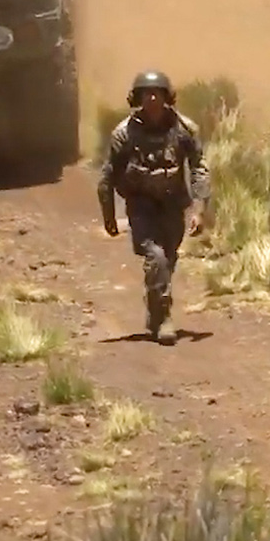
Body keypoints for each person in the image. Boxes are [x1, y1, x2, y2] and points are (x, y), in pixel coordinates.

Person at [97, 71, 210, 340]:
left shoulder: (184, 129)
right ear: (137, 99)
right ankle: (163, 319)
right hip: (141, 207)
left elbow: (199, 169)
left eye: (157, 93)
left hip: (173, 205)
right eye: (145, 94)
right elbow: (107, 177)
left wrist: (200, 209)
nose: (151, 99)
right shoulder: (124, 134)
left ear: (166, 97)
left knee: (167, 259)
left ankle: (155, 306)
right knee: (156, 257)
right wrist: (108, 216)